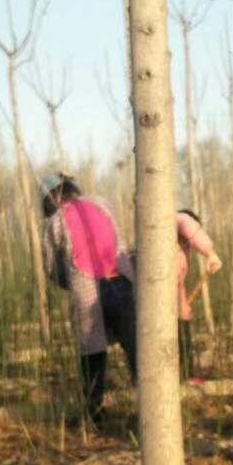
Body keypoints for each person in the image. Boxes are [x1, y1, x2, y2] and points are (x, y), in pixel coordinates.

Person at [40, 173, 136, 426]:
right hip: (122, 280)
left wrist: (68, 282)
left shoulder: (54, 222)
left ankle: (95, 412)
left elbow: (50, 266)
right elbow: (119, 238)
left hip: (86, 289)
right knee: (136, 345)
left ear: (51, 199)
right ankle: (150, 405)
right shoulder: (102, 202)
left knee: (92, 352)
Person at [176, 209, 222, 383]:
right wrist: (210, 253)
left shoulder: (178, 246)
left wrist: (183, 307)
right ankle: (181, 376)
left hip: (172, 294)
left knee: (183, 326)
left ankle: (185, 375)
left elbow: (177, 282)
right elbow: (187, 224)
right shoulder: (179, 220)